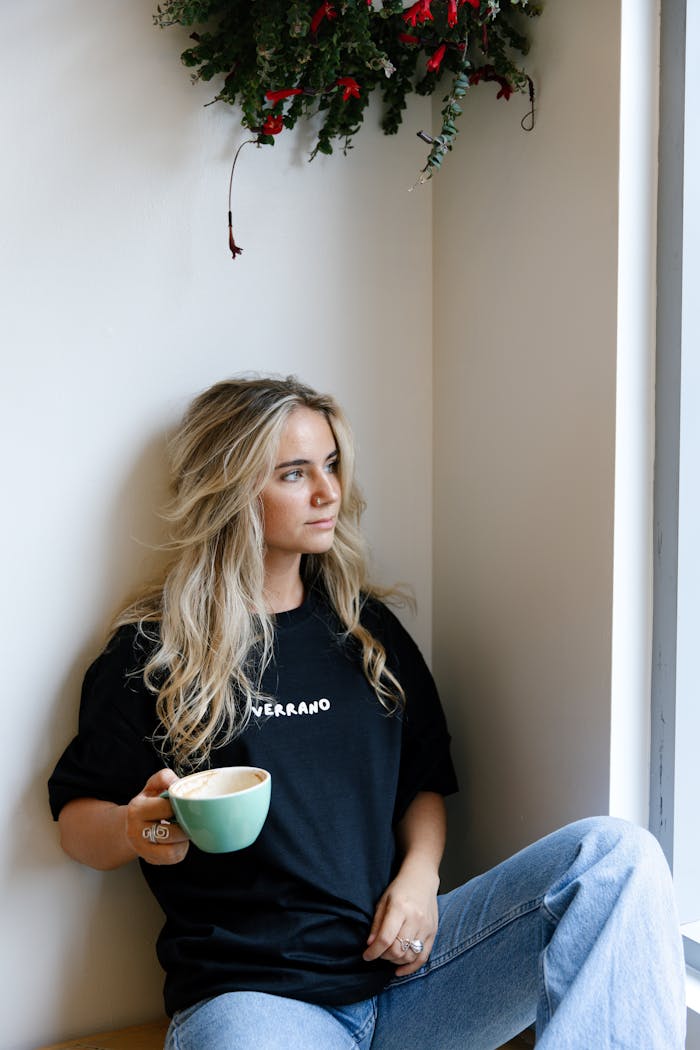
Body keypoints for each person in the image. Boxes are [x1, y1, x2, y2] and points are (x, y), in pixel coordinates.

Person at [49, 375, 686, 1050]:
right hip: (257, 1002)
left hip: (412, 980)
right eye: (295, 474)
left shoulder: (365, 631)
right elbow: (75, 821)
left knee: (617, 858)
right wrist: (140, 829)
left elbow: (424, 782)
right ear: (229, 487)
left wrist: (420, 879)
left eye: (330, 465)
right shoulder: (153, 653)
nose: (329, 492)